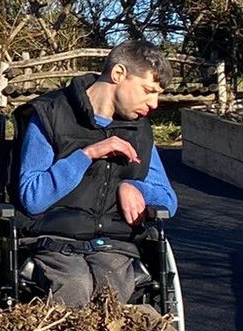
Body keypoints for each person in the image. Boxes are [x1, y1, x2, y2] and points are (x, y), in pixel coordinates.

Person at [13, 43, 177, 307]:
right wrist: (87, 155)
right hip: (53, 241)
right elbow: (32, 197)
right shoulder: (49, 115)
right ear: (119, 74)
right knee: (75, 285)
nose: (154, 104)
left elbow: (168, 199)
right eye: (148, 91)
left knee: (111, 288)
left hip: (113, 245)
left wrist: (136, 187)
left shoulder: (140, 131)